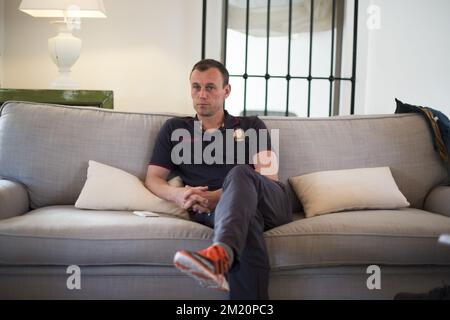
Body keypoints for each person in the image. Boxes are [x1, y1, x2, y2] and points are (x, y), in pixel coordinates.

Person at [145, 59, 292, 300]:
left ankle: (218, 254)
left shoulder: (252, 126)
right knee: (247, 223)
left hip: (269, 200)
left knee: (241, 172)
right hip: (220, 212)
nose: (202, 94)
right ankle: (222, 256)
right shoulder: (174, 129)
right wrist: (179, 194)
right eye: (196, 87)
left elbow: (268, 176)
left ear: (226, 91)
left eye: (210, 87)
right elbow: (153, 178)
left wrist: (222, 196)